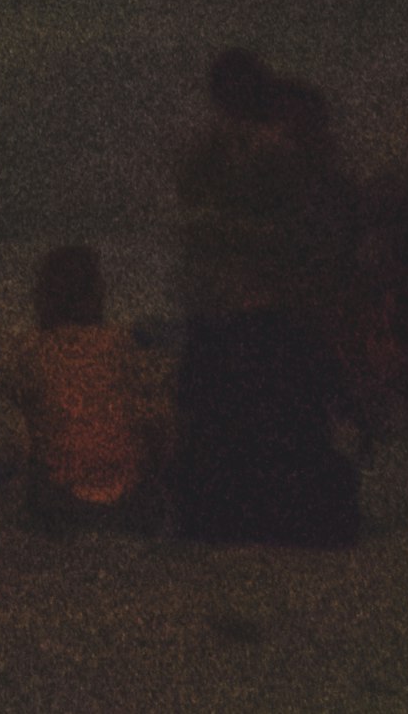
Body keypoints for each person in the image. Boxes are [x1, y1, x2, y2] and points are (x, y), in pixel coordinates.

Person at [169, 55, 362, 545]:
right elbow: (305, 239)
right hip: (269, 312)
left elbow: (193, 218)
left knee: (218, 420)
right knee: (283, 422)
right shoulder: (277, 154)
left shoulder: (212, 151)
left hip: (224, 313)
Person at [15, 242, 166, 533]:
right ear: (95, 293)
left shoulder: (34, 350)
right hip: (131, 502)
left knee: (30, 429)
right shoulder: (119, 343)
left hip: (66, 503)